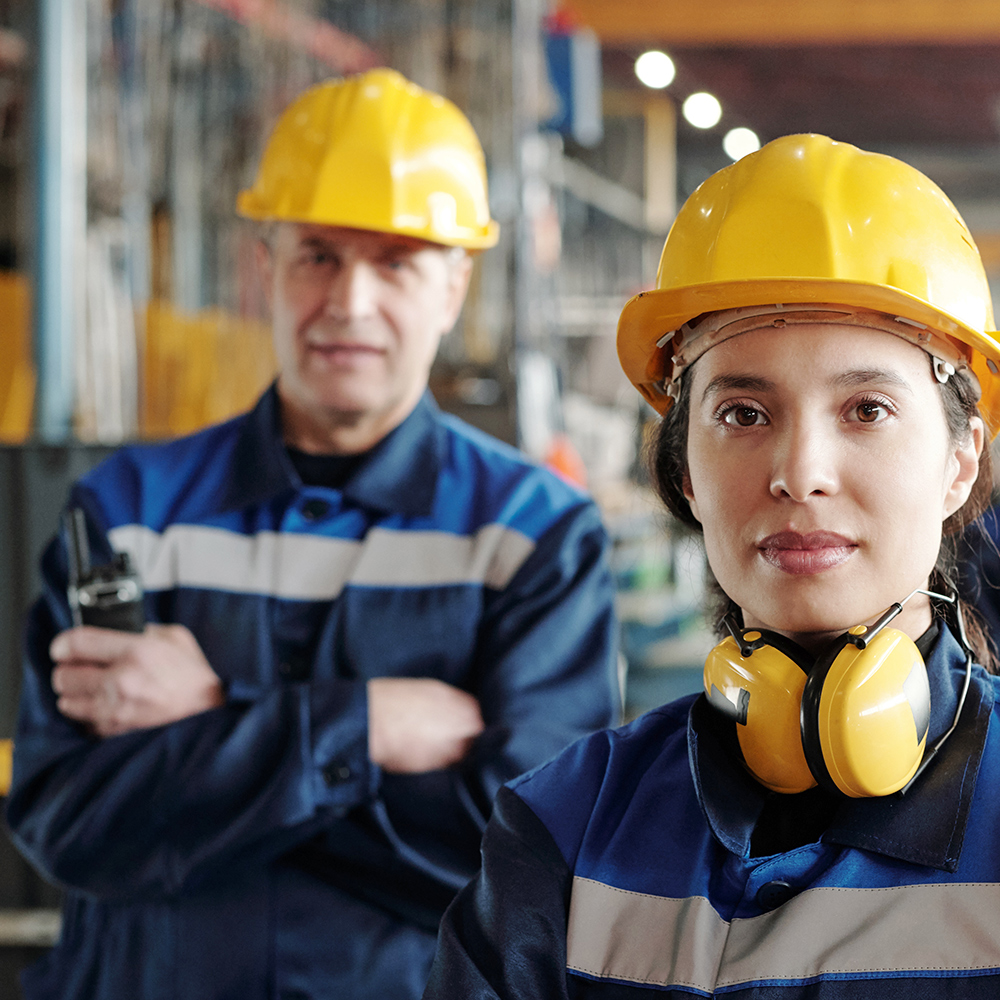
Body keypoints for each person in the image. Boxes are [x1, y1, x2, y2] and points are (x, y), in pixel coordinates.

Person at [6, 68, 619, 1000]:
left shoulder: (533, 534)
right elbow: (73, 822)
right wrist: (370, 726)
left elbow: (527, 861)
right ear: (265, 269)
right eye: (319, 255)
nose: (350, 302)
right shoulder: (128, 514)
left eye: (396, 262)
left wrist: (214, 717)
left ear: (455, 286)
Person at [423, 133, 1000, 998]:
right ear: (684, 467)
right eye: (742, 412)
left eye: (867, 408)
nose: (800, 471)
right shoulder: (566, 829)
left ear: (960, 460)